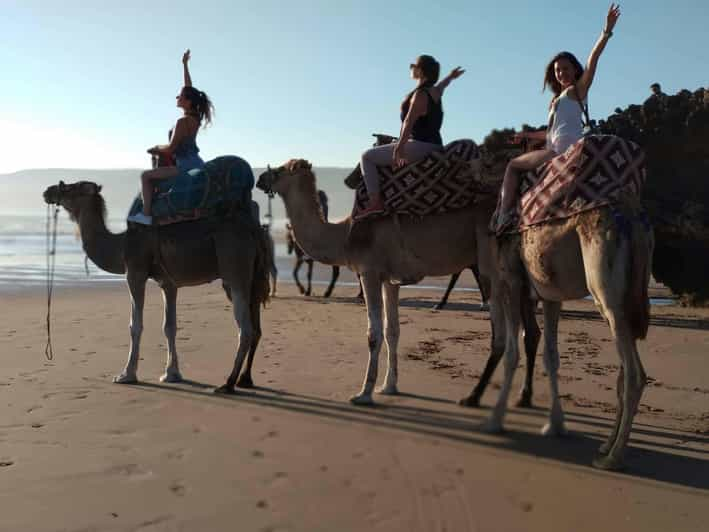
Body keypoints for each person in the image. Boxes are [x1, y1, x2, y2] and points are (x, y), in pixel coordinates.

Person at [493, 4, 621, 233]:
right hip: (556, 144)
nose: (561, 73)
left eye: (565, 68)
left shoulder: (577, 90)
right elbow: (551, 132)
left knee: (513, 166)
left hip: (560, 152)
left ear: (574, 69)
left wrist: (606, 32)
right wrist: (526, 135)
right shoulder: (558, 99)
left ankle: (504, 215)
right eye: (557, 70)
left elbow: (593, 60)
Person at [355, 55, 465, 220]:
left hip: (420, 145)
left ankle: (375, 202)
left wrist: (399, 146)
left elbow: (409, 121)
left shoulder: (420, 95)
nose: (411, 68)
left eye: (414, 65)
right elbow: (443, 85)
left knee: (367, 156)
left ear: (421, 71)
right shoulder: (434, 91)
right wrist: (451, 76)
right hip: (435, 144)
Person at [128, 49, 214, 225]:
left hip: (184, 166)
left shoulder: (182, 122)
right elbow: (189, 89)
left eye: (180, 96)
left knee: (145, 176)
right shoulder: (195, 118)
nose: (177, 96)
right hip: (197, 162)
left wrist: (155, 148)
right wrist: (184, 65)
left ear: (187, 101)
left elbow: (171, 149)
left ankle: (146, 214)